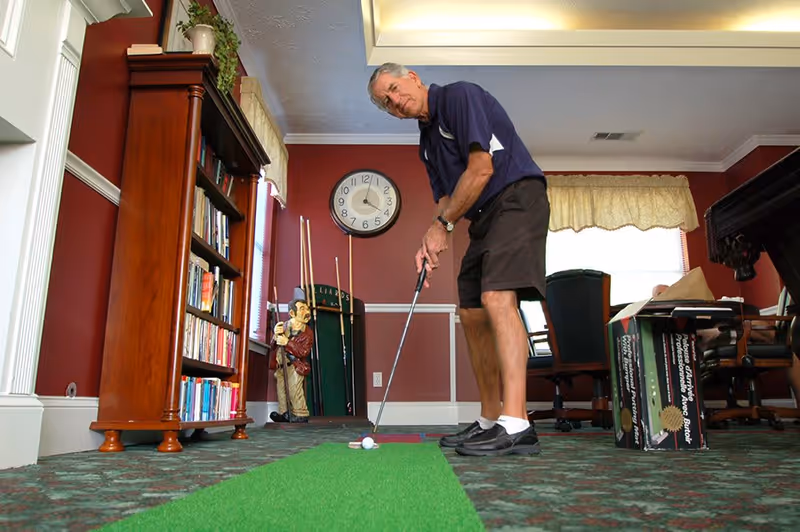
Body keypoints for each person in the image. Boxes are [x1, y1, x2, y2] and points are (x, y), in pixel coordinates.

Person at [367, 63, 550, 457]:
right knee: (470, 311)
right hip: (484, 219)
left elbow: (481, 168)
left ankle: (517, 423)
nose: (396, 102)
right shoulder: (426, 141)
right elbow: (446, 202)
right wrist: (431, 239)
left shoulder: (457, 96)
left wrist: (442, 225)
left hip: (517, 198)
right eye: (387, 103)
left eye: (396, 89)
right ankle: (489, 419)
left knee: (498, 298)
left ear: (413, 76)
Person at [269, 298, 313, 423]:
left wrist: (287, 342)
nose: (306, 312)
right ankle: (284, 413)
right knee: (281, 391)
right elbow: (272, 346)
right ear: (292, 313)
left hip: (294, 365)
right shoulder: (284, 326)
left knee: (294, 390)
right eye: (302, 309)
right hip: (280, 366)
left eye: (307, 308)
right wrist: (275, 335)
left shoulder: (307, 333)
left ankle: (300, 413)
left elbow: (304, 352)